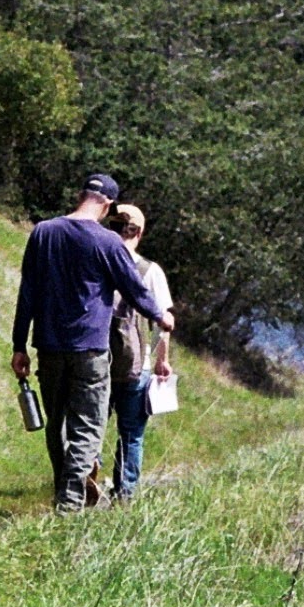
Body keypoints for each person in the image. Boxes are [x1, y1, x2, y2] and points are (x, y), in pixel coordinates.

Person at [11, 173, 174, 513]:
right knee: (89, 427)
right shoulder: (107, 242)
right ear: (107, 205)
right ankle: (70, 501)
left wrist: (18, 345)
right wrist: (161, 316)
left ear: (80, 195)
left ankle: (64, 489)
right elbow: (133, 288)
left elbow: (28, 292)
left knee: (56, 424)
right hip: (90, 350)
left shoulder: (43, 232)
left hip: (49, 347)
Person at [103, 202, 174, 505]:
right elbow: (164, 322)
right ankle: (124, 494)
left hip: (95, 360)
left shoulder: (98, 260)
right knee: (131, 433)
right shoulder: (149, 270)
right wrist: (162, 360)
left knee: (90, 426)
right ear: (139, 232)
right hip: (136, 364)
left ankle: (83, 483)